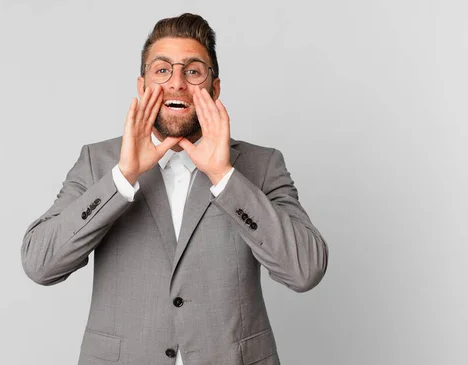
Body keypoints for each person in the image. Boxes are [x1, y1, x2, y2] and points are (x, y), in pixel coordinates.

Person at [21, 13, 328, 365]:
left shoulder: (262, 165)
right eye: (162, 70)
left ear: (214, 89)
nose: (177, 83)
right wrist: (123, 177)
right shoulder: (97, 161)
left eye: (193, 71)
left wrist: (225, 176)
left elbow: (306, 270)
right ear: (143, 87)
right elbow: (40, 264)